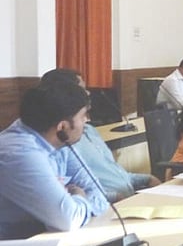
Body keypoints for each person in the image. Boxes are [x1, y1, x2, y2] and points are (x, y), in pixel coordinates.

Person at [0, 83, 109, 240]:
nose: (87, 120)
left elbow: (98, 191)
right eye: (83, 115)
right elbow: (68, 220)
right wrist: (80, 197)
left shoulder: (59, 141)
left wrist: (76, 204)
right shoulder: (20, 153)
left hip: (42, 241)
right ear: (62, 126)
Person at [41, 69, 161, 202]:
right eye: (82, 90)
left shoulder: (90, 131)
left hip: (128, 197)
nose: (88, 93)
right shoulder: (63, 143)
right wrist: (114, 197)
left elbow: (113, 173)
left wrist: (146, 179)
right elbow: (77, 189)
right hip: (107, 207)